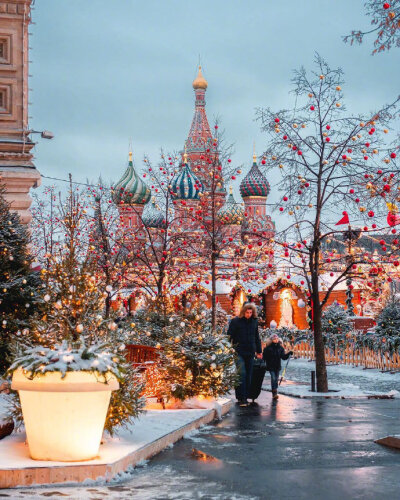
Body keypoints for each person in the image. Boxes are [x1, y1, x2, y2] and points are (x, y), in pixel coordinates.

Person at [227, 302, 262, 407]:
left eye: (251, 312)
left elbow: (257, 337)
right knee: (241, 373)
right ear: (243, 312)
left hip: (250, 352)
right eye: (247, 312)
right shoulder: (236, 322)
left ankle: (244, 396)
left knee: (249, 375)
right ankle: (241, 398)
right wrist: (228, 348)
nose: (249, 314)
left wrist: (259, 351)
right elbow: (229, 336)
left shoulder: (254, 322)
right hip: (239, 351)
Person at [263, 333, 293, 399]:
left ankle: (274, 392)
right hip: (270, 366)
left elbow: (283, 357)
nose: (276, 340)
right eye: (274, 339)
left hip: (277, 366)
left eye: (276, 339)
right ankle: (274, 392)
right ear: (271, 340)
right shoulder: (268, 348)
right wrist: (263, 364)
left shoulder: (280, 348)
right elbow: (264, 357)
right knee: (273, 378)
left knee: (276, 379)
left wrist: (288, 354)